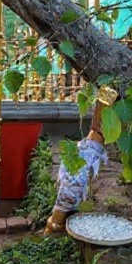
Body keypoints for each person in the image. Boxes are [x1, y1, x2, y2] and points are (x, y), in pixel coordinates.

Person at [43, 86, 116, 235]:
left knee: (76, 172)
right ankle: (56, 223)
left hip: (101, 137)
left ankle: (55, 224)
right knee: (75, 171)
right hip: (96, 139)